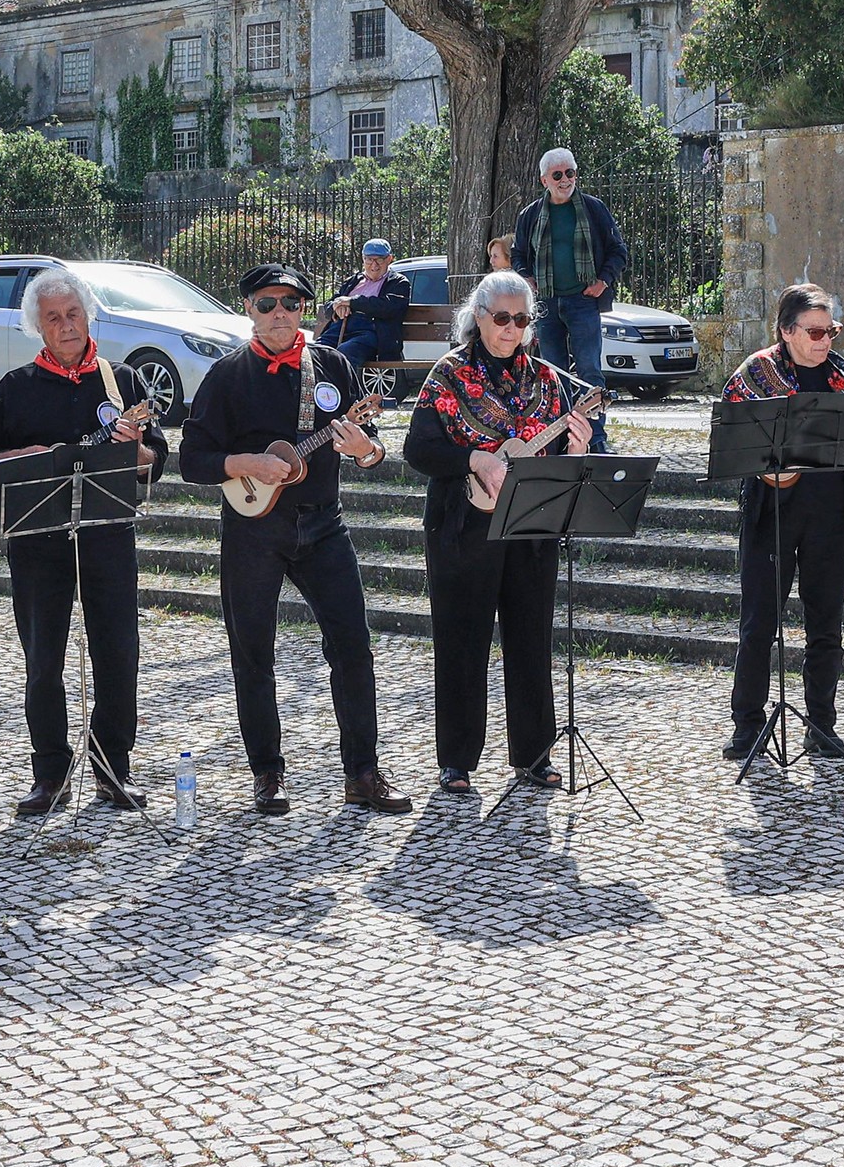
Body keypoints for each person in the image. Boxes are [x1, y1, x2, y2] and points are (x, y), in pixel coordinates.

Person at [177, 264, 412, 815]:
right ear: (249, 310)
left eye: (290, 302)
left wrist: (365, 451)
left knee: (353, 647)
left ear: (304, 308)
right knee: (253, 654)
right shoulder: (227, 375)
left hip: (324, 524)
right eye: (266, 303)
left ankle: (362, 773)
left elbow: (370, 444)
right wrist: (245, 462)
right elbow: (191, 459)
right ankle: (267, 773)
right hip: (253, 529)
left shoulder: (331, 364)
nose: (279, 312)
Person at [0, 267, 168, 816]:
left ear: (87, 315)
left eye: (73, 314)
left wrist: (134, 450)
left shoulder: (121, 380)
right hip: (37, 538)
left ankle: (112, 771)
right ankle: (49, 775)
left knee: (118, 654)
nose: (66, 325)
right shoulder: (15, 387)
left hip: (107, 532)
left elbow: (156, 462)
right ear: (38, 327)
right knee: (43, 659)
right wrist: (25, 458)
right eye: (53, 318)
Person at [403, 270, 592, 796]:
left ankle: (534, 754)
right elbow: (417, 450)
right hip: (462, 525)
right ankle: (457, 760)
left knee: (531, 638)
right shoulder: (449, 376)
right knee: (461, 640)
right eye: (502, 318)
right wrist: (472, 456)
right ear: (479, 318)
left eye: (522, 319)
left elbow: (560, 460)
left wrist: (577, 449)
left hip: (531, 525)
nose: (512, 329)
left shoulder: (549, 381)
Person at [720, 284, 844, 765]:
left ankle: (821, 725)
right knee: (758, 625)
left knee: (825, 626)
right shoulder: (756, 371)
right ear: (787, 331)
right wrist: (771, 467)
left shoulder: (842, 375)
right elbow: (733, 440)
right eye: (814, 330)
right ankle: (747, 726)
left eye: (830, 330)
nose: (825, 339)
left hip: (828, 515)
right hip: (772, 514)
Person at [511, 148, 628, 452]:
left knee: (590, 372)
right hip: (546, 305)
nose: (565, 180)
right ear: (544, 180)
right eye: (558, 175)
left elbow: (618, 250)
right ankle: (561, 437)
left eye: (570, 173)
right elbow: (518, 254)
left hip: (583, 301)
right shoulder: (531, 215)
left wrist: (603, 281)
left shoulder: (593, 209)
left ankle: (596, 438)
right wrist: (526, 277)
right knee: (553, 374)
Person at [317, 238, 410, 377]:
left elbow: (388, 307)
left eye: (380, 260)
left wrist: (352, 302)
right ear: (363, 259)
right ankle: (318, 395)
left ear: (390, 259)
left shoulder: (398, 282)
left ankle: (345, 396)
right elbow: (329, 305)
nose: (374, 265)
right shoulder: (353, 281)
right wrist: (337, 306)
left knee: (344, 354)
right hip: (339, 327)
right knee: (316, 352)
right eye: (369, 260)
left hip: (370, 332)